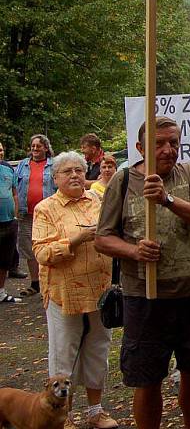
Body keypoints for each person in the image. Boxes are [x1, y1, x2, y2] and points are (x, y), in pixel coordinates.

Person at [94, 116, 190, 429]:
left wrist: (167, 199)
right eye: (159, 143)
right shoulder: (122, 182)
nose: (167, 150)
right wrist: (134, 251)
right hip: (145, 296)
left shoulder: (189, 173)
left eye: (173, 143)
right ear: (140, 148)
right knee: (147, 378)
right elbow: (103, 238)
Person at [33, 151, 116, 429]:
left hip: (100, 292)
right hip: (63, 293)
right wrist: (76, 239)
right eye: (67, 171)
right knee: (63, 352)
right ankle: (61, 416)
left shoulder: (97, 199)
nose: (75, 175)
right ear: (55, 177)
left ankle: (95, 411)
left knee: (97, 349)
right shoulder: (46, 208)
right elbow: (41, 252)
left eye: (79, 170)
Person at [14, 134, 56, 297]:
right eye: (33, 146)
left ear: (46, 148)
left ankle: (50, 282)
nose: (35, 149)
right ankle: (35, 283)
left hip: (47, 214)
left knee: (48, 247)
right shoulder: (23, 165)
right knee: (29, 249)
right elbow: (14, 186)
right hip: (26, 214)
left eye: (38, 146)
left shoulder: (53, 165)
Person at [0, 141, 20, 303]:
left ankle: (1, 292)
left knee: (5, 260)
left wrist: (15, 216)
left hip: (9, 221)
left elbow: (14, 193)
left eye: (1, 150)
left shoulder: (8, 168)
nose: (0, 152)